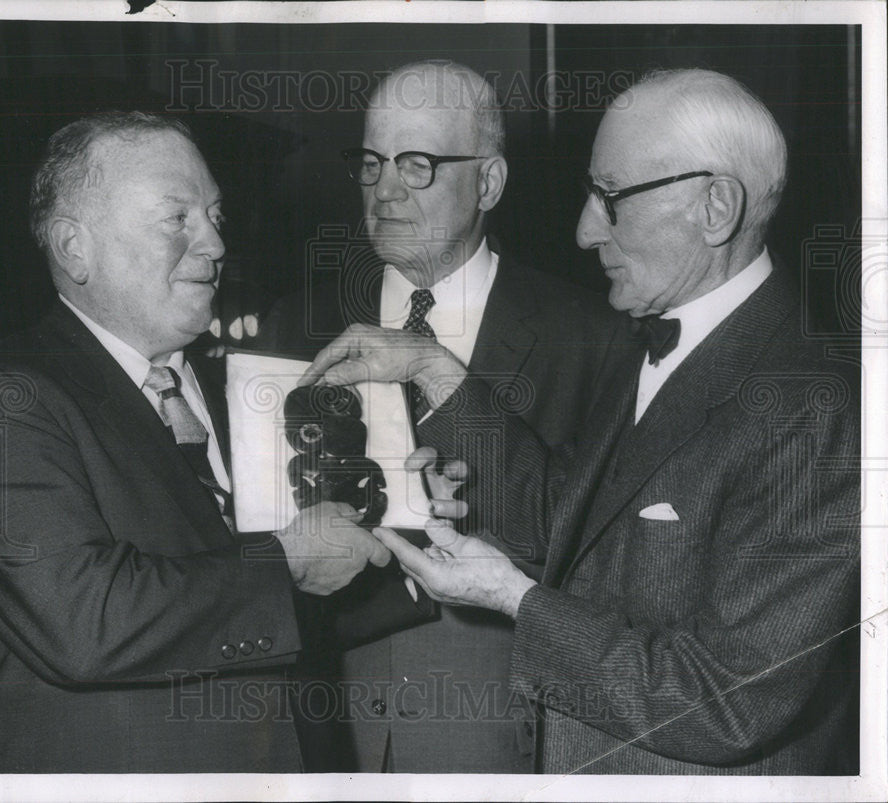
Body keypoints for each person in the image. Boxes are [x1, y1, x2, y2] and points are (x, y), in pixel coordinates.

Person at [301, 69, 860, 774]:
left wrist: (514, 597)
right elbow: (568, 521)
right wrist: (432, 368)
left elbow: (727, 699)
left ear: (715, 206)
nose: (584, 229)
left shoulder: (814, 407)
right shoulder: (651, 341)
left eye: (612, 198)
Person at [0, 111, 391, 773]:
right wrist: (287, 561)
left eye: (216, 216)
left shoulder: (249, 389)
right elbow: (85, 620)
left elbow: (284, 612)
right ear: (74, 247)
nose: (217, 245)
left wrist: (408, 529)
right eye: (178, 218)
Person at [257, 60, 620, 772]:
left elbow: (601, 562)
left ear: (488, 181)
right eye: (371, 163)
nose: (385, 190)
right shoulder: (292, 324)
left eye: (417, 164)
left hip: (507, 747)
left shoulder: (593, 339)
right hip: (327, 740)